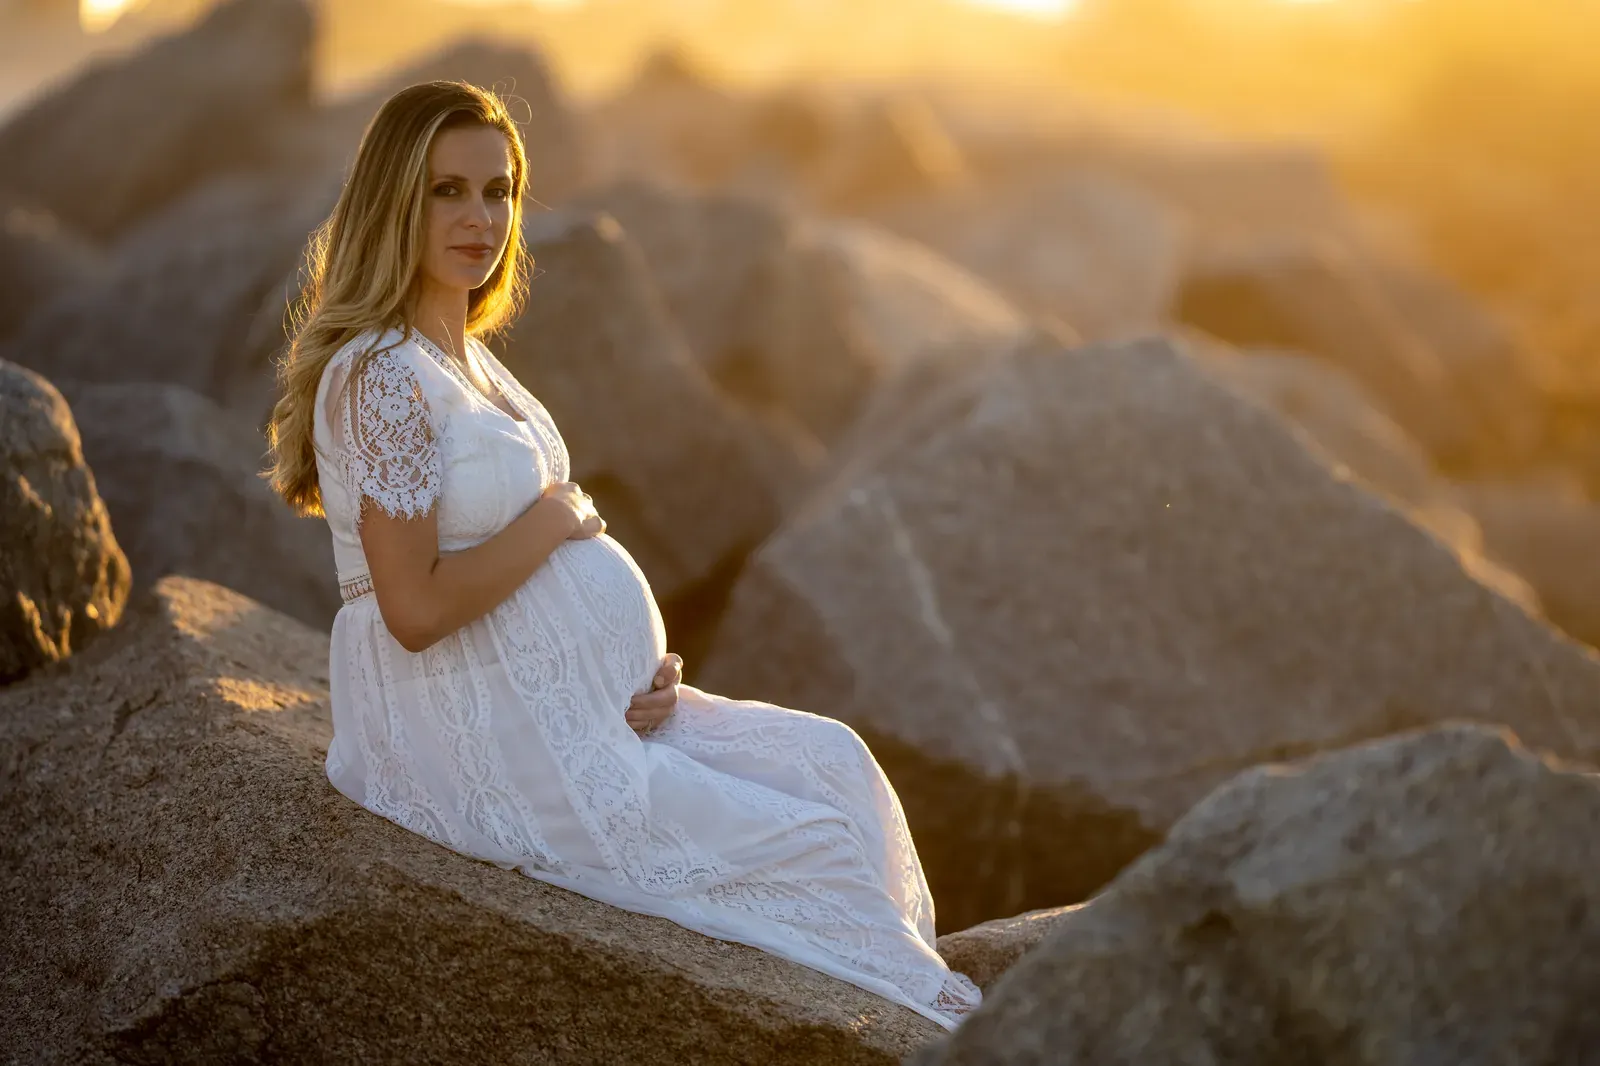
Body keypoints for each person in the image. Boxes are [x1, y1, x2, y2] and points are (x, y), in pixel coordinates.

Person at [263, 80, 980, 1029]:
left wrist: (622, 670)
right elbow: (414, 608)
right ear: (392, 200)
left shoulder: (464, 357)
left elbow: (533, 575)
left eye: (499, 189)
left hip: (569, 711)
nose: (480, 217)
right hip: (474, 733)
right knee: (814, 845)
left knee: (833, 766)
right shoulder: (381, 373)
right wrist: (553, 527)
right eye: (447, 191)